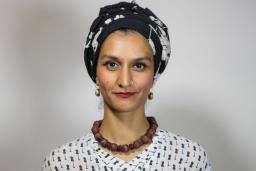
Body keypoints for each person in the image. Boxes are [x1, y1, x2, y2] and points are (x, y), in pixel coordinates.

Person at [42, 1, 212, 171]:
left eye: (139, 66)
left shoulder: (189, 158)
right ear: (96, 73)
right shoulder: (62, 162)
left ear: (154, 74)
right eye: (112, 64)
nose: (124, 81)